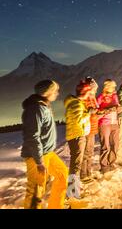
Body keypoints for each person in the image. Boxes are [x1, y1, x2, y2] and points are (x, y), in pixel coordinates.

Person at [21, 80, 68, 209]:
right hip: (37, 156)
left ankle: (56, 206)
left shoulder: (43, 106)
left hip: (48, 153)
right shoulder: (35, 109)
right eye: (55, 91)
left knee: (63, 175)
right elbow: (32, 137)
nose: (58, 93)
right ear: (48, 92)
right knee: (36, 189)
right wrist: (39, 161)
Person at [64, 79, 95, 199]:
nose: (89, 94)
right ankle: (72, 193)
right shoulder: (76, 103)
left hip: (76, 135)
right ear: (84, 92)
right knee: (76, 165)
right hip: (77, 136)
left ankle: (73, 189)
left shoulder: (74, 102)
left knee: (75, 164)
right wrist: (89, 113)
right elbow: (79, 120)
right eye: (88, 92)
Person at [97, 79, 121, 173]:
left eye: (114, 86)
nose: (114, 88)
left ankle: (111, 163)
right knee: (105, 146)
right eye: (112, 86)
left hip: (114, 123)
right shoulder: (100, 97)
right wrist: (108, 109)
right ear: (107, 87)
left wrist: (119, 109)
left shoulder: (115, 96)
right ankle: (104, 166)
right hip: (104, 124)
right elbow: (97, 111)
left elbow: (117, 107)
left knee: (115, 145)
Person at [80, 77, 99, 183]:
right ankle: (83, 175)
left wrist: (98, 113)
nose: (95, 91)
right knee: (85, 152)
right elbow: (81, 113)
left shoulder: (92, 98)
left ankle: (88, 172)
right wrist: (91, 112)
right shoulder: (84, 98)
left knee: (90, 152)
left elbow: (94, 111)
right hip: (86, 128)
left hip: (92, 127)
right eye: (94, 89)